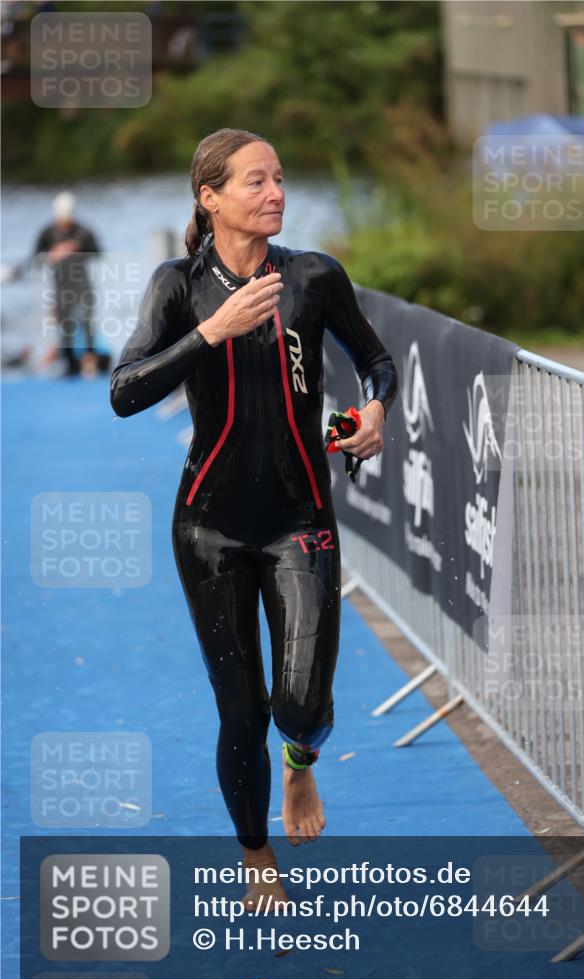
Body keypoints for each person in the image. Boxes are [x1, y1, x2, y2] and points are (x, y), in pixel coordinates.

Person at [109, 128, 398, 909]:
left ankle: (301, 765)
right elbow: (125, 391)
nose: (275, 193)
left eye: (279, 178)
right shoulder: (177, 286)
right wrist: (213, 331)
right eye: (255, 181)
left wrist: (373, 411)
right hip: (208, 530)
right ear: (209, 197)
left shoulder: (313, 276)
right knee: (240, 710)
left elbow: (377, 362)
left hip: (300, 520)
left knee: (301, 709)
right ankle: (255, 851)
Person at [33, 191, 103, 376]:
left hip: (82, 284)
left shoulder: (83, 231)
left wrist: (77, 250)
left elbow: (98, 252)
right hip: (60, 286)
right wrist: (52, 254)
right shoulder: (48, 233)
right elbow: (35, 259)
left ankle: (90, 360)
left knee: (86, 321)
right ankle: (70, 363)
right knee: (65, 325)